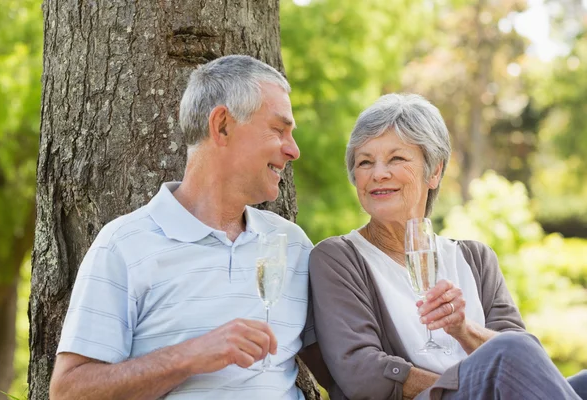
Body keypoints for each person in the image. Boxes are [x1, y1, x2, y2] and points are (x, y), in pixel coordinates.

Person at [49, 55, 318, 400]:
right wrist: (190, 356)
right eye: (279, 130)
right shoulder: (124, 245)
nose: (293, 150)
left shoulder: (292, 245)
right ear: (221, 125)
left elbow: (349, 364)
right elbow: (69, 392)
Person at [309, 93, 587, 399]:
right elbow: (363, 374)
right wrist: (469, 384)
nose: (378, 174)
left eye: (396, 158)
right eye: (364, 162)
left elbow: (528, 364)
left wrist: (463, 330)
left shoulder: (476, 259)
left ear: (435, 171)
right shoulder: (338, 258)